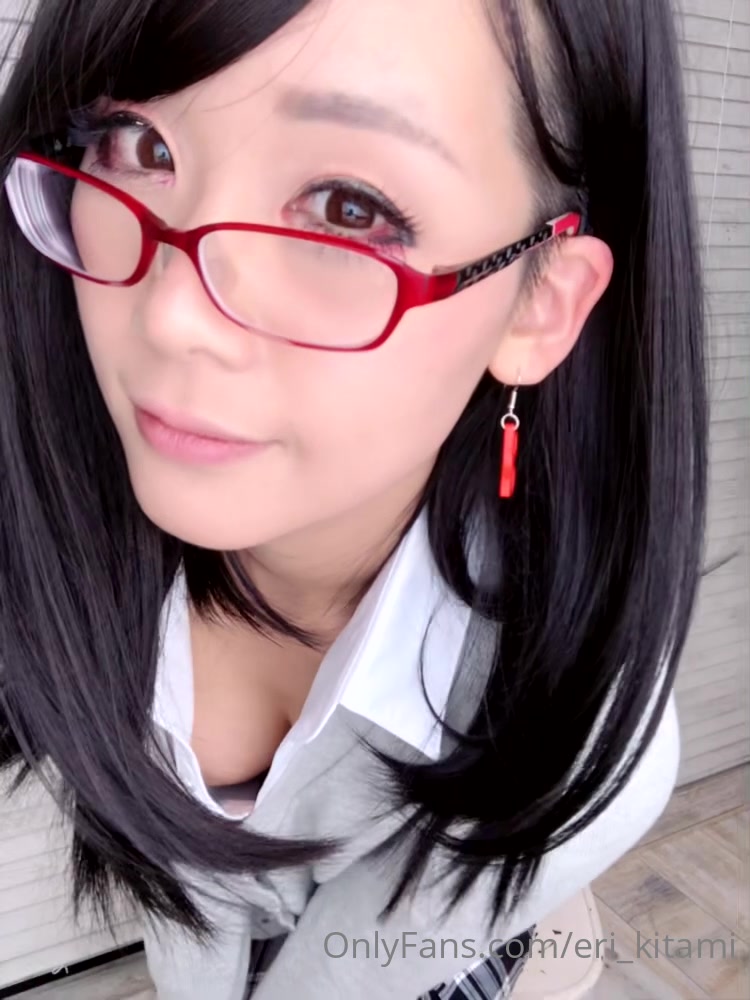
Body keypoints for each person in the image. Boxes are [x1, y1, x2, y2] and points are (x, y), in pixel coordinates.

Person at [0, 0, 707, 997]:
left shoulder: (596, 742)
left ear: (542, 303)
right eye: (137, 143)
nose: (173, 314)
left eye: (347, 208)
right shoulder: (56, 544)